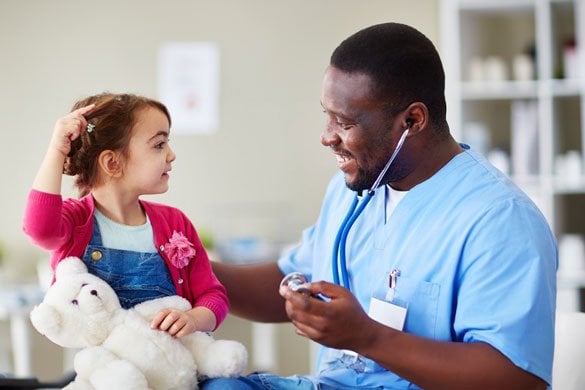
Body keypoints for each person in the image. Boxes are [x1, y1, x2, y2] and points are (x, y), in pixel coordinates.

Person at [206, 23, 557, 389]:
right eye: (327, 115)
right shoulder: (353, 189)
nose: (327, 136)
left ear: (412, 120)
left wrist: (368, 337)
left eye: (344, 122)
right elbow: (295, 281)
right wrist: (186, 271)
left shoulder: (500, 220)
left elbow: (517, 378)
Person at [23, 93, 228, 337]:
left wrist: (193, 319)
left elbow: (214, 296)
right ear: (112, 162)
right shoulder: (76, 221)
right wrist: (57, 150)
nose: (171, 155)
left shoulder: (175, 223)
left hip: (175, 365)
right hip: (108, 369)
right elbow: (40, 229)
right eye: (159, 145)